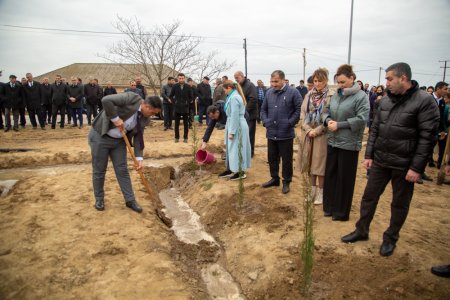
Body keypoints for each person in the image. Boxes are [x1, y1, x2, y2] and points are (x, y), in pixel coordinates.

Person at [341, 62, 440, 257]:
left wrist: (416, 168)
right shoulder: (385, 101)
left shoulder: (424, 101)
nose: (386, 83)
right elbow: (375, 130)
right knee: (369, 197)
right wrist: (369, 155)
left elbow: (427, 137)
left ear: (403, 78)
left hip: (405, 165)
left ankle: (390, 239)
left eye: (389, 79)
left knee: (399, 204)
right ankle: (361, 230)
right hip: (381, 161)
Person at [88, 93, 162, 213]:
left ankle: (130, 200)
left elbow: (139, 137)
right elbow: (106, 100)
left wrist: (139, 158)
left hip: (119, 142)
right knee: (99, 169)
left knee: (122, 170)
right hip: (100, 136)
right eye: (153, 112)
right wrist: (115, 119)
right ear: (145, 105)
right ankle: (99, 199)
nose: (152, 116)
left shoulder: (145, 118)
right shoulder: (132, 98)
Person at [322, 64, 369, 221]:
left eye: (343, 82)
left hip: (349, 144)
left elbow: (362, 119)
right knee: (331, 176)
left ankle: (341, 212)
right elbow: (326, 111)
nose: (340, 85)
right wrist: (327, 120)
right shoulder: (336, 95)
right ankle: (329, 207)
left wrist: (339, 125)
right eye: (338, 82)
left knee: (344, 178)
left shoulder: (361, 97)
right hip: (333, 141)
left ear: (352, 78)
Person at [261, 70, 301, 194]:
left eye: (276, 81)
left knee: (286, 159)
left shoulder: (293, 92)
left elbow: (298, 110)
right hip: (271, 132)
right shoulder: (269, 93)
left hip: (286, 133)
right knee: (272, 157)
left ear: (283, 80)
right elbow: (263, 109)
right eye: (272, 81)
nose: (273, 84)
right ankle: (274, 178)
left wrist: (290, 123)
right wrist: (266, 121)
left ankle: (286, 181)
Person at [297, 68, 331, 204]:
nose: (317, 83)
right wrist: (306, 129)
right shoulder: (309, 95)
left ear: (326, 81)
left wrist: (316, 130)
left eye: (320, 81)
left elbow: (330, 117)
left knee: (320, 166)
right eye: (315, 80)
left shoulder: (331, 96)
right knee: (310, 164)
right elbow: (303, 114)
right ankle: (312, 192)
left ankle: (321, 194)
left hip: (322, 136)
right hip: (308, 134)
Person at [217, 80, 251, 180]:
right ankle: (232, 169)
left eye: (224, 90)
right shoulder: (232, 96)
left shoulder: (235, 97)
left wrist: (232, 132)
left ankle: (240, 171)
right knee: (232, 149)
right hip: (233, 123)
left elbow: (235, 115)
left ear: (229, 88)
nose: (224, 92)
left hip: (238, 125)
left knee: (238, 148)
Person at [234, 71, 258, 157]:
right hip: (243, 115)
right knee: (244, 134)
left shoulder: (250, 85)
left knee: (250, 134)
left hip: (250, 115)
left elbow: (253, 99)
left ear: (242, 76)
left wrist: (245, 111)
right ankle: (244, 151)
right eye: (235, 78)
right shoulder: (239, 86)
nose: (236, 80)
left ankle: (250, 153)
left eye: (237, 78)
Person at [169, 73, 194, 143]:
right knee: (176, 124)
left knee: (186, 124)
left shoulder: (188, 86)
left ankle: (185, 138)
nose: (181, 79)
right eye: (180, 78)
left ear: (184, 78)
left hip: (185, 108)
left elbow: (191, 97)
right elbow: (171, 96)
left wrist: (187, 102)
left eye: (182, 78)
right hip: (177, 108)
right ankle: (176, 138)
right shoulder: (175, 86)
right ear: (178, 78)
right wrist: (175, 102)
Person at [432, 81, 449, 169]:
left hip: (438, 129)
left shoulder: (442, 101)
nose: (447, 91)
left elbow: (441, 117)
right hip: (428, 128)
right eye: (445, 89)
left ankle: (440, 165)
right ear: (438, 88)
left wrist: (442, 130)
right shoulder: (429, 98)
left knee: (442, 146)